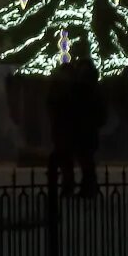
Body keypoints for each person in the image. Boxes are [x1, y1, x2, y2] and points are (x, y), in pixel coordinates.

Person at [71, 60, 106, 198]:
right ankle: (90, 185)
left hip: (85, 128)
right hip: (87, 128)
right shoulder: (93, 89)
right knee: (86, 159)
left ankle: (89, 186)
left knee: (86, 159)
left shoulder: (84, 90)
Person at [45, 68, 77, 199]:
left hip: (62, 129)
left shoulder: (61, 94)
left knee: (63, 158)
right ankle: (67, 185)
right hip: (63, 129)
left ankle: (66, 185)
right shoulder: (66, 93)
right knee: (64, 159)